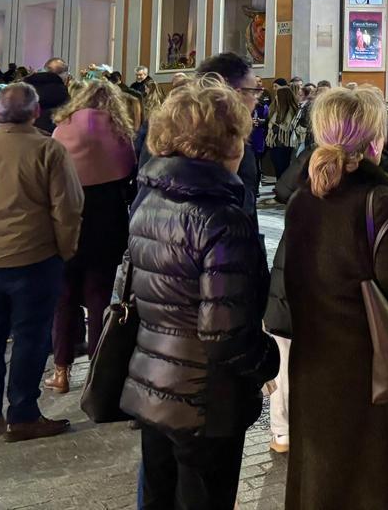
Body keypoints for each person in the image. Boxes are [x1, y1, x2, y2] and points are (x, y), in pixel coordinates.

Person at [278, 87, 388, 509]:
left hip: (316, 373)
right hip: (374, 377)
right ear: (373, 141)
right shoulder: (381, 200)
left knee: (324, 484)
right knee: (380, 485)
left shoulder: (303, 199)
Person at [121, 75, 278, 508]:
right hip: (206, 398)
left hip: (154, 382)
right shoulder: (222, 218)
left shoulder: (149, 200)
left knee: (159, 494)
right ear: (224, 143)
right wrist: (267, 360)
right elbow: (225, 332)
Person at [0, 83, 83, 441]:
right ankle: (22, 414)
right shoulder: (49, 150)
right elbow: (68, 208)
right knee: (30, 337)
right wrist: (64, 250)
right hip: (35, 258)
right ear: (36, 113)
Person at [44, 78, 137, 394]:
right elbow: (129, 172)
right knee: (99, 299)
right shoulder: (118, 130)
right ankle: (96, 376)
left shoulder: (64, 128)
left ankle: (61, 372)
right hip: (107, 220)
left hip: (68, 220)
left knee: (64, 298)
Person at [197, 52, 263, 217]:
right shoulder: (228, 140)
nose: (257, 99)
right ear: (236, 94)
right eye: (254, 91)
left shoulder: (167, 130)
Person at [23, 58, 70, 134]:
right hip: (51, 133)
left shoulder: (26, 85)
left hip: (26, 131)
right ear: (64, 74)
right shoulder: (61, 91)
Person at [267, 84, 300, 183]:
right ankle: (279, 188)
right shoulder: (275, 110)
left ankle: (283, 189)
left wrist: (275, 127)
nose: (276, 97)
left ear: (283, 97)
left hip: (285, 145)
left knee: (284, 170)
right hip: (275, 144)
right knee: (278, 170)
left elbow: (288, 128)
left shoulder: (292, 111)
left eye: (278, 95)